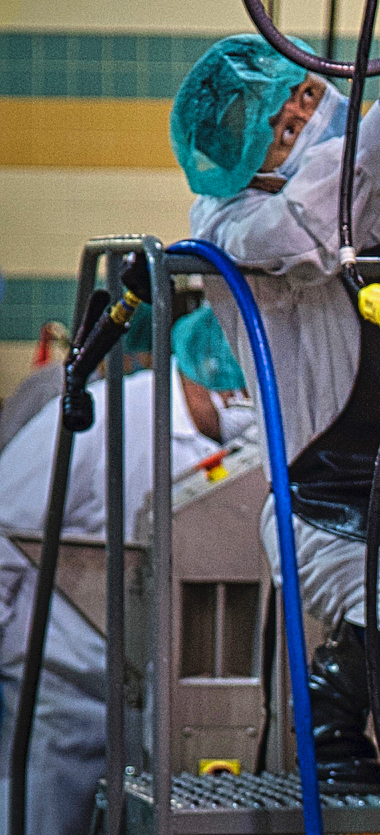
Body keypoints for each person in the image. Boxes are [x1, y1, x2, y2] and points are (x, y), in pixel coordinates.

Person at [170, 20, 380, 792]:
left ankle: (360, 714)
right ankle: (355, 709)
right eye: (268, 145)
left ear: (310, 89)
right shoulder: (228, 225)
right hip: (327, 508)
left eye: (286, 123)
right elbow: (309, 231)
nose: (284, 147)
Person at [0, 307, 251, 835]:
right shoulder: (110, 415)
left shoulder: (248, 445)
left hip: (158, 683)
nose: (242, 410)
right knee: (45, 815)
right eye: (235, 395)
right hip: (62, 677)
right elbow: (6, 529)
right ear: (204, 371)